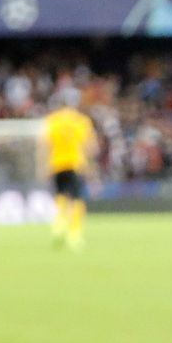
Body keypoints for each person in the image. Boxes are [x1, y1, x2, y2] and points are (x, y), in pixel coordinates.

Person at [39, 92, 97, 251]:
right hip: (75, 164)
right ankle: (74, 234)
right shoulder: (81, 121)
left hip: (56, 164)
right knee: (76, 199)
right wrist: (91, 168)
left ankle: (59, 224)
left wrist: (43, 166)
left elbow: (44, 145)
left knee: (60, 196)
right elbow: (90, 146)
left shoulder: (52, 120)